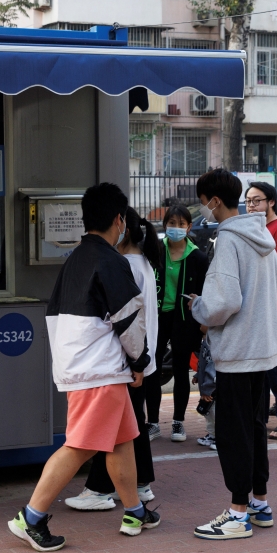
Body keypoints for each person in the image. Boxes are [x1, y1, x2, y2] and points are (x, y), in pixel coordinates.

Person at [7, 183, 159, 552]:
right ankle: (31, 517)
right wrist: (140, 361)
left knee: (123, 441)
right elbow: (129, 322)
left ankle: (135, 509)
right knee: (79, 447)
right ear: (119, 220)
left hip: (82, 365)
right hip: (101, 370)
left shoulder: (75, 258)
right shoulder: (111, 261)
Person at [188, 169, 277, 540]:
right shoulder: (261, 233)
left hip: (236, 352)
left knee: (233, 434)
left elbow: (223, 302)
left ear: (213, 201)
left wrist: (200, 308)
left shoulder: (228, 240)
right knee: (255, 429)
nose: (203, 210)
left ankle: (238, 512)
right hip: (262, 350)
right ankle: (260, 503)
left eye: (203, 203)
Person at [65, 207, 161, 511]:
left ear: (123, 229)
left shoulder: (124, 266)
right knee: (130, 426)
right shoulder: (142, 262)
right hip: (142, 360)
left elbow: (122, 320)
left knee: (105, 429)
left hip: (126, 363)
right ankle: (140, 486)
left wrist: (134, 361)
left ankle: (99, 489)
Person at [145, 204, 208, 442]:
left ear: (189, 227)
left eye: (181, 224)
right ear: (165, 225)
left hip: (184, 319)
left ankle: (178, 423)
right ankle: (152, 423)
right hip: (157, 317)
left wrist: (202, 321)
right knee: (152, 368)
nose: (176, 228)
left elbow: (205, 292)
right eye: (172, 223)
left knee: (181, 370)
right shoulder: (152, 251)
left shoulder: (198, 257)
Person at [244, 182, 277, 441]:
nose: (252, 205)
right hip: (258, 311)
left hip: (276, 312)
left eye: (257, 200)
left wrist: (263, 261)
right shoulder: (257, 229)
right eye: (248, 201)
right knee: (262, 370)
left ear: (271, 202)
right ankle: (261, 417)